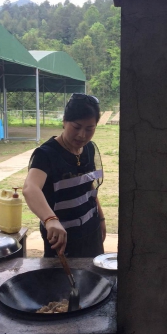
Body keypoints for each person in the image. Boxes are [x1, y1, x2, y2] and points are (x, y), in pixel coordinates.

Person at [23, 93, 106, 258]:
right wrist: (50, 220)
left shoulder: (89, 149)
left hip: (91, 230)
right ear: (64, 121)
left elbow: (88, 187)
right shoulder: (46, 154)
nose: (82, 135)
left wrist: (101, 219)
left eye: (89, 129)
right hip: (61, 237)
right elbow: (30, 188)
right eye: (76, 127)